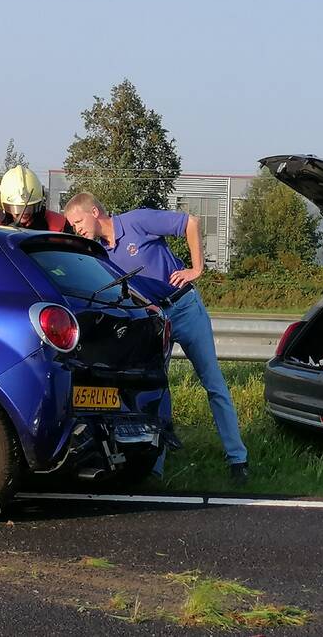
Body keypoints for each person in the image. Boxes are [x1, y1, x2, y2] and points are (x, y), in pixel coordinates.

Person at [63, 192, 249, 484]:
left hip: (186, 308)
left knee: (213, 384)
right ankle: (155, 467)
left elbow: (191, 222)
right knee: (157, 389)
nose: (77, 229)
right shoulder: (100, 252)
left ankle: (238, 459)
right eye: (72, 226)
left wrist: (196, 269)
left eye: (77, 222)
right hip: (154, 321)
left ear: (95, 212)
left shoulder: (136, 220)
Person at [0, 165, 71, 232]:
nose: (24, 213)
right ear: (5, 205)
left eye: (31, 207)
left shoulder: (59, 225)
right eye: (17, 208)